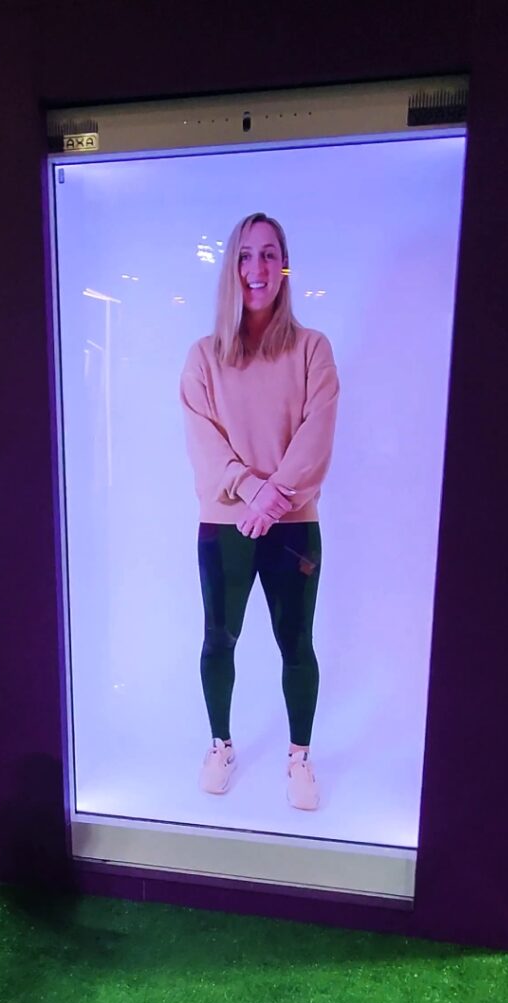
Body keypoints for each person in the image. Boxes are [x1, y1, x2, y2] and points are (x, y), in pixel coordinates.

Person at [180, 213, 339, 811]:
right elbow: (203, 440)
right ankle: (221, 743)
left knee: (297, 642)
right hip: (224, 526)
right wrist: (252, 490)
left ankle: (299, 755)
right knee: (218, 640)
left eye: (270, 255)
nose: (258, 268)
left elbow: (316, 433)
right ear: (232, 268)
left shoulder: (312, 349)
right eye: (246, 256)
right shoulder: (203, 358)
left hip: (294, 525)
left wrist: (273, 499)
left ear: (284, 267)